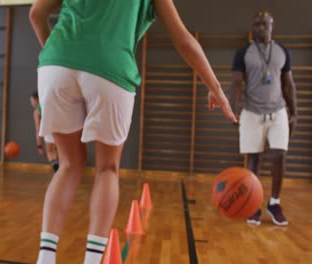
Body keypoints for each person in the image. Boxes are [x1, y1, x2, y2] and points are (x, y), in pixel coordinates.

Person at [29, 0, 237, 263]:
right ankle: (93, 260)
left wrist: (58, 58)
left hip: (55, 64)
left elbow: (36, 14)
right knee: (107, 169)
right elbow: (183, 39)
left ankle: (45, 257)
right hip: (110, 67)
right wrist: (215, 87)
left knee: (69, 164)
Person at [230, 10, 297, 226]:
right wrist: (235, 106)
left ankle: (274, 203)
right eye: (257, 24)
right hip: (252, 112)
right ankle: (254, 204)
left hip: (277, 111)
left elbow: (288, 83)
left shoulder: (282, 51)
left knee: (279, 155)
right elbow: (237, 82)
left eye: (265, 24)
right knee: (254, 160)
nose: (261, 28)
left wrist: (294, 111)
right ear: (253, 27)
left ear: (272, 26)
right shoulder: (244, 53)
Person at [30, 91, 60, 172]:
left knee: (50, 151)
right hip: (61, 128)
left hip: (49, 130)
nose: (31, 103)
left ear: (36, 99)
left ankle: (57, 171)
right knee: (61, 151)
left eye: (31, 101)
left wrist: (39, 146)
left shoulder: (37, 111)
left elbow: (38, 129)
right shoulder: (51, 103)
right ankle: (63, 171)